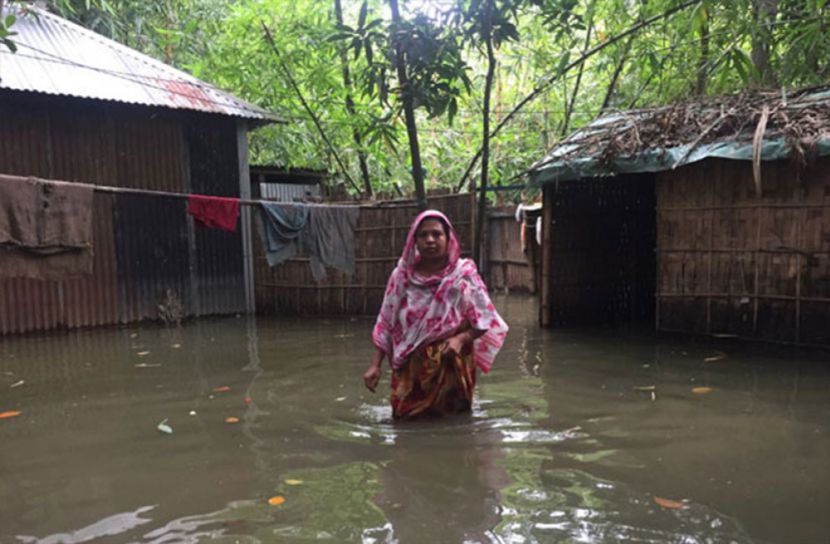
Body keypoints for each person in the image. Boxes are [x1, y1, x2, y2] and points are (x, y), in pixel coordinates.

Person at [363, 209, 508, 419]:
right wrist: (375, 366)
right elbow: (387, 321)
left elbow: (484, 319)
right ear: (415, 240)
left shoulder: (464, 275)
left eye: (437, 234)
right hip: (410, 366)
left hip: (451, 363)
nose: (430, 240)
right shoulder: (401, 276)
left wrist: (461, 338)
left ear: (448, 239)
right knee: (404, 419)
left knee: (454, 419)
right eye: (423, 235)